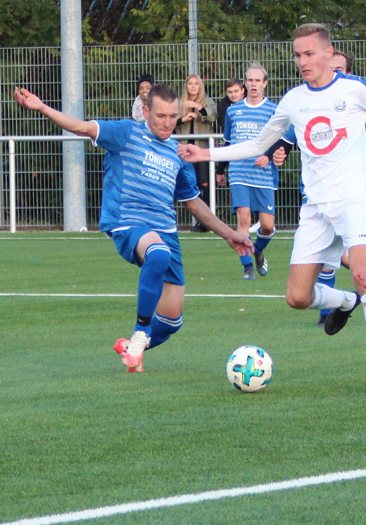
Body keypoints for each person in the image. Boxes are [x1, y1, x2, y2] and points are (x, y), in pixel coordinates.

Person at [179, 23, 366, 394]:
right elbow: (258, 143)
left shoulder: (353, 89)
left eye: (309, 54)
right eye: (297, 55)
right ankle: (345, 302)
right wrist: (205, 153)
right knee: (297, 297)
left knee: (361, 272)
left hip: (355, 198)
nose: (302, 61)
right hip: (316, 207)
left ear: (327, 53)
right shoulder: (293, 100)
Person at [14, 84, 253, 373]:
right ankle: (140, 332)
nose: (167, 123)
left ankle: (132, 346)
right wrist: (41, 108)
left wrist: (230, 234)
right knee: (157, 254)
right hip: (128, 225)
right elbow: (80, 127)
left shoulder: (177, 154)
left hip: (166, 232)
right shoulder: (126, 133)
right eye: (160, 115)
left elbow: (193, 203)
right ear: (145, 111)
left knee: (170, 323)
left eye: (172, 116)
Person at [272, 48, 366, 326]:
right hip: (316, 197)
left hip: (350, 195)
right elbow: (285, 140)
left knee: (353, 265)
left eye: (340, 69)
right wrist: (277, 153)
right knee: (309, 278)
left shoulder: (358, 106)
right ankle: (340, 304)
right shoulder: (305, 103)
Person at [216, 63, 282, 280]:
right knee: (243, 220)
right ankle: (247, 268)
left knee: (267, 225)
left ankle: (259, 250)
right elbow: (228, 142)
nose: (253, 84)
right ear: (245, 84)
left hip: (263, 173)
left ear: (265, 84)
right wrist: (220, 170)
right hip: (239, 172)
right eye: (250, 80)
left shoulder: (274, 110)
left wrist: (270, 155)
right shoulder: (233, 111)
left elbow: (281, 140)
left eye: (257, 80)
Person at [175, 75, 217, 231]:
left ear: (200, 86)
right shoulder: (180, 103)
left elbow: (212, 116)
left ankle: (208, 221)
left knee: (205, 183)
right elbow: (172, 121)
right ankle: (199, 221)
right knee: (191, 183)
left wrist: (198, 108)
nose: (193, 87)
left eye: (195, 84)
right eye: (190, 84)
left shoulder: (207, 101)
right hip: (185, 150)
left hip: (202, 149)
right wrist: (184, 119)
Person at [214, 77, 245, 198]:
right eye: (230, 92)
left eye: (236, 91)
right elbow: (228, 137)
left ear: (243, 90)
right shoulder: (223, 106)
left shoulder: (252, 100)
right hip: (235, 150)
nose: (233, 95)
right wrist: (220, 170)